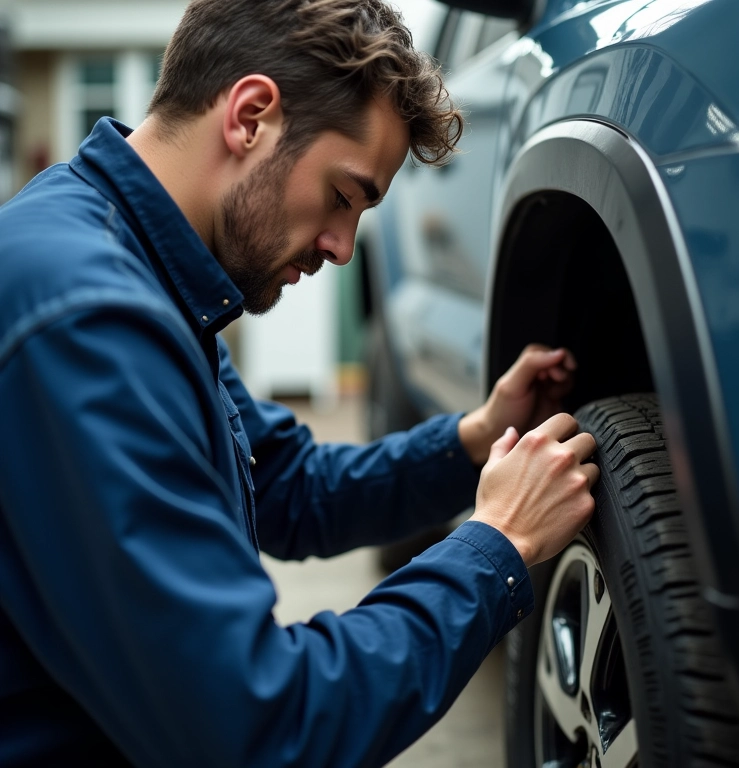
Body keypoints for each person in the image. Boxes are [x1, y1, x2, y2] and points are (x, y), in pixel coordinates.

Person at [0, 0, 598, 765]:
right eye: (344, 196)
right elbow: (258, 727)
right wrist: (497, 549)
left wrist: (473, 440)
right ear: (250, 116)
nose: (343, 249)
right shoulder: (90, 322)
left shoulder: (141, 267)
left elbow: (287, 483)